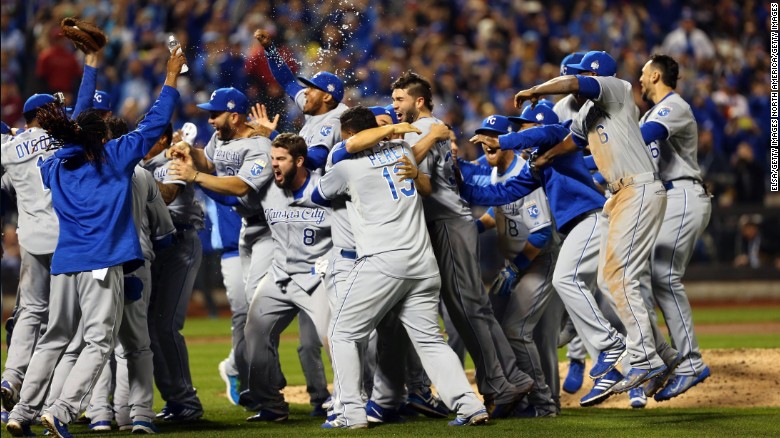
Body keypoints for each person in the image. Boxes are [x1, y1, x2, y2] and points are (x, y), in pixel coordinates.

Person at [6, 47, 185, 438]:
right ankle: (63, 410)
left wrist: (90, 69)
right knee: (100, 342)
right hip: (102, 262)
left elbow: (72, 131)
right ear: (101, 136)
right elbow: (154, 123)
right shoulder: (114, 156)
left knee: (53, 339)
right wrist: (171, 77)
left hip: (64, 263)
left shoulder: (51, 165)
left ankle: (21, 411)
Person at [311, 106, 488, 428]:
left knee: (342, 332)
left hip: (384, 261)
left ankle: (351, 414)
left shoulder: (347, 167)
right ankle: (470, 405)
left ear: (350, 134)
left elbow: (317, 194)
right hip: (423, 264)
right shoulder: (402, 151)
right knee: (431, 341)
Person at [515, 50, 669, 392]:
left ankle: (644, 357)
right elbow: (572, 142)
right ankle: (656, 354)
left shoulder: (616, 89)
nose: (579, 82)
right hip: (620, 195)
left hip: (638, 187)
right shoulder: (587, 112)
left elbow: (572, 81)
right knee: (606, 279)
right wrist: (548, 157)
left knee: (617, 277)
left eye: (587, 75)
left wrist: (537, 90)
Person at [390, 71, 533, 418]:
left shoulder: (424, 129)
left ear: (418, 101)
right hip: (451, 222)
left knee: (468, 310)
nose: (394, 106)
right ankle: (507, 379)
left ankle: (504, 381)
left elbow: (406, 168)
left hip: (448, 224)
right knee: (472, 310)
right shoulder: (432, 127)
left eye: (399, 100)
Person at [0, 51, 100, 415]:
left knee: (29, 312)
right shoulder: (63, 137)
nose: (61, 112)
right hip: (65, 241)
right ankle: (49, 404)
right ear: (45, 114)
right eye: (54, 109)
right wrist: (91, 63)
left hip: (30, 240)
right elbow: (85, 101)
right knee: (66, 329)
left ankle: (11, 377)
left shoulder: (9, 150)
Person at [469, 113, 560, 418]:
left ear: (506, 141)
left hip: (537, 261)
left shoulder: (524, 172)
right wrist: (475, 228)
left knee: (517, 331)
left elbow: (542, 232)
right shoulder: (498, 171)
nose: (486, 143)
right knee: (487, 321)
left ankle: (545, 404)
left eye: (492, 136)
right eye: (482, 137)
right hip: (515, 263)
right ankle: (514, 396)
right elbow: (499, 212)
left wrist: (516, 268)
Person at [637, 54, 712, 402]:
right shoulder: (649, 111)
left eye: (642, 74)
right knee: (642, 276)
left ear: (655, 75)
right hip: (665, 199)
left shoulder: (675, 106)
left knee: (664, 275)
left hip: (682, 193)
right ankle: (664, 358)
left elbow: (643, 137)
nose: (639, 79)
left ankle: (691, 362)